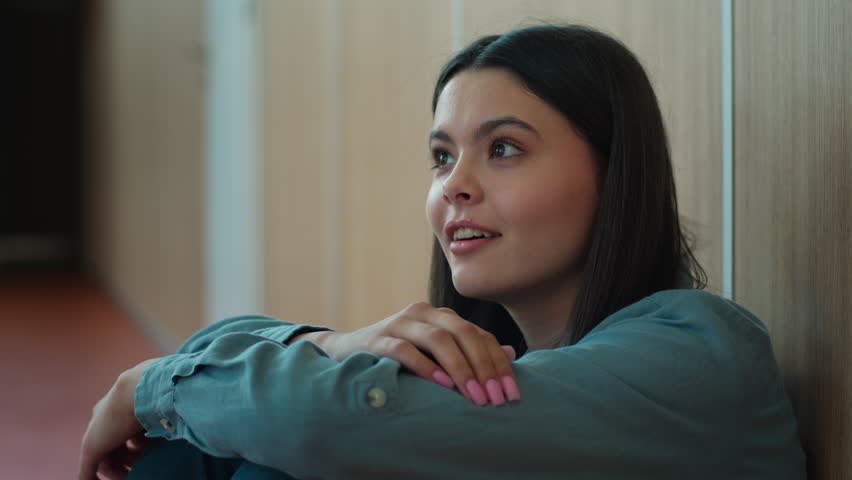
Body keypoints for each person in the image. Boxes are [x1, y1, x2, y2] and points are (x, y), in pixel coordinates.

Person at [79, 24, 806, 479]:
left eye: (505, 149)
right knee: (215, 444)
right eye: (440, 156)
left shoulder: (700, 356)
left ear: (616, 176)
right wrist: (332, 344)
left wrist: (154, 386)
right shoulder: (498, 360)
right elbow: (242, 359)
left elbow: (330, 424)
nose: (454, 187)